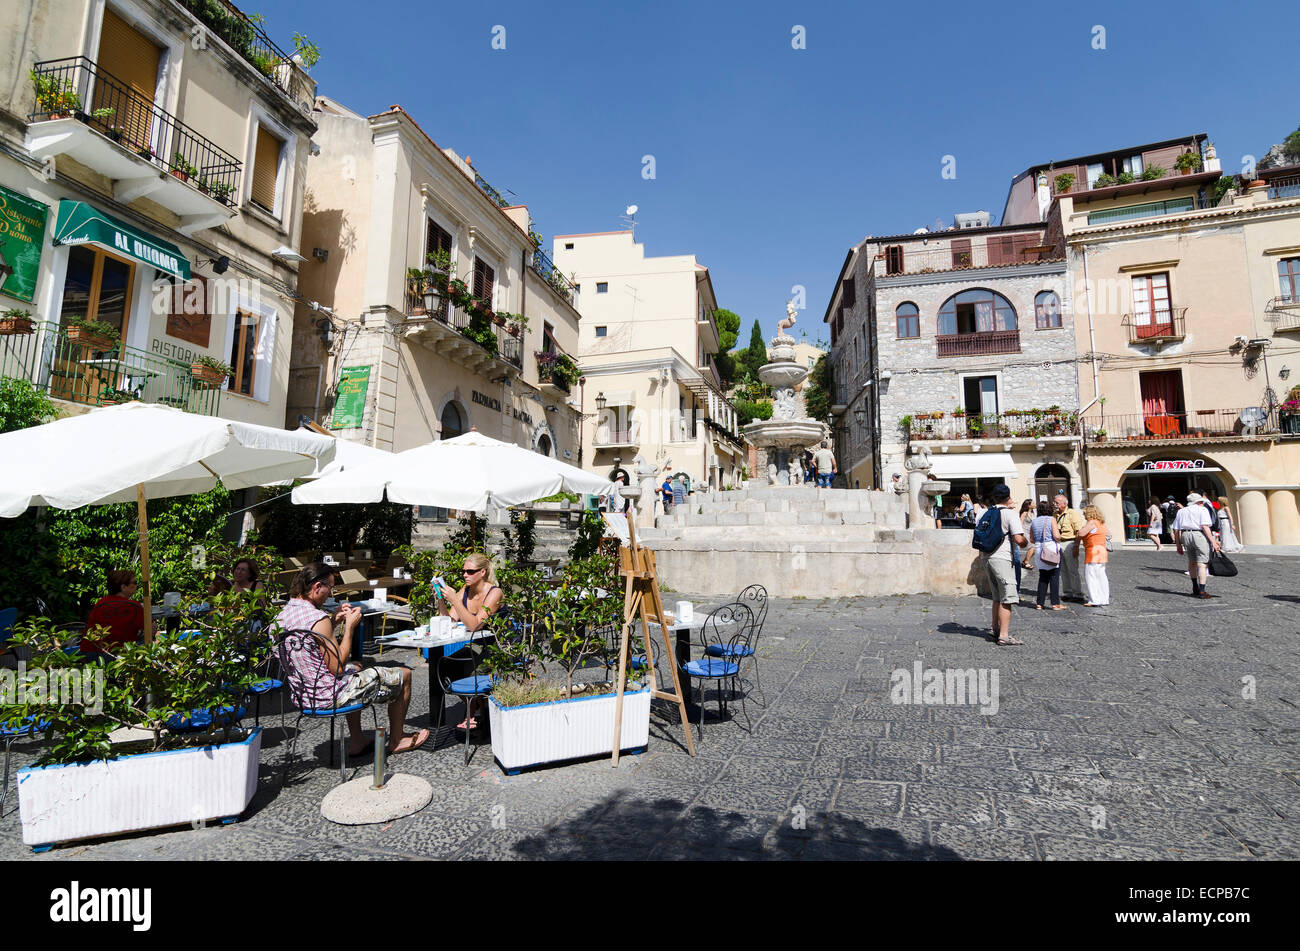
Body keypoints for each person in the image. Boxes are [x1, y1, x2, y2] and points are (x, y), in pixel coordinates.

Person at [273, 562, 426, 756]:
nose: (331, 594)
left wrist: (333, 622)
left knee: (357, 667)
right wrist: (349, 628)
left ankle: (357, 740)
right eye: (330, 588)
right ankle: (397, 739)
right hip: (331, 696)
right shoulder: (317, 619)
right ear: (317, 587)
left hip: (304, 696)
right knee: (404, 675)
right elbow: (337, 667)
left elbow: (311, 649)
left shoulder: (280, 618)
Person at [434, 551, 504, 730]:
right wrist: (441, 601)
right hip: (474, 645)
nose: (465, 575)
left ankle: (477, 710)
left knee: (472, 670)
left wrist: (455, 601)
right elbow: (449, 621)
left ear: (483, 572)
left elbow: (475, 625)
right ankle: (473, 707)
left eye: (470, 571)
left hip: (496, 647)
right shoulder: (465, 591)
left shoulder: (495, 593)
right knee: (445, 667)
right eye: (464, 571)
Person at [979, 484, 1027, 646]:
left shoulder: (986, 512)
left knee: (996, 597)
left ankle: (994, 628)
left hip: (986, 557)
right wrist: (1026, 541)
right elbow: (1020, 540)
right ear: (1008, 497)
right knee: (1007, 598)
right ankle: (1004, 635)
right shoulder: (1009, 514)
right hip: (1002, 558)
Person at [83, 569, 146, 655]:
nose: (136, 585)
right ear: (123, 587)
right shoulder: (134, 606)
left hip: (90, 652)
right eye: (134, 582)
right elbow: (147, 628)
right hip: (118, 656)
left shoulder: (101, 603)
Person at [1172, 492, 1222, 598]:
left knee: (1192, 561)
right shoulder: (1202, 510)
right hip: (1198, 534)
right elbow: (1205, 526)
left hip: (1185, 535)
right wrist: (1213, 541)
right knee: (1202, 563)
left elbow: (1176, 529)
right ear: (1198, 502)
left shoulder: (1182, 511)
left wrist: (1178, 544)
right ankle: (1202, 590)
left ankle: (1195, 587)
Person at [1029, 500, 1066, 610]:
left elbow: (1031, 538)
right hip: (1050, 548)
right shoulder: (1051, 519)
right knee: (1054, 576)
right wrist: (1060, 537)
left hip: (1039, 549)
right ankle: (1055, 603)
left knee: (1043, 576)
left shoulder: (1034, 521)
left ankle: (1039, 603)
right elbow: (1056, 536)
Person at [1054, 494, 1086, 602]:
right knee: (1063, 569)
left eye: (1057, 503)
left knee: (1072, 569)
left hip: (1069, 542)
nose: (1055, 505)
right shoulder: (1055, 515)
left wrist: (1076, 546)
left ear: (1064, 503)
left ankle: (1077, 593)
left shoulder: (1072, 514)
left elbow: (1078, 532)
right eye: (1054, 502)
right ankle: (1067, 592)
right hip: (1058, 543)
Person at [1078, 505, 1110, 606]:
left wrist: (1081, 529)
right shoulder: (1101, 523)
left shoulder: (1091, 522)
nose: (1084, 515)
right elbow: (1109, 534)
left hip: (1093, 550)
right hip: (1101, 549)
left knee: (1091, 575)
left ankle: (1094, 599)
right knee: (1101, 575)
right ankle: (1104, 599)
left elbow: (1081, 533)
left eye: (1084, 513)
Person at [1014, 499, 1034, 594]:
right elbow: (1020, 523)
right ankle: (1026, 561)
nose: (1034, 504)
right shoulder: (1024, 513)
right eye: (1032, 503)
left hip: (1030, 533)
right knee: (1034, 547)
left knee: (1034, 548)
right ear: (1029, 505)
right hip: (1024, 532)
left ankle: (1025, 561)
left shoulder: (1032, 513)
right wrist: (1020, 534)